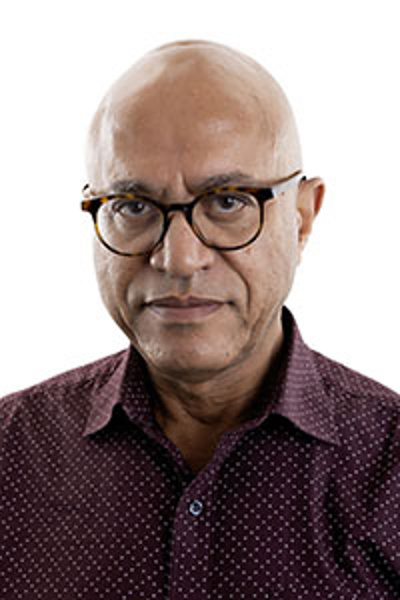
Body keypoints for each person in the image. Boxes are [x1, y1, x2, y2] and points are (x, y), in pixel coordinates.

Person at [0, 39, 399, 600]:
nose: (179, 259)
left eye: (228, 201)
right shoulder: (10, 456)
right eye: (133, 206)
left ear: (303, 217)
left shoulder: (390, 471)